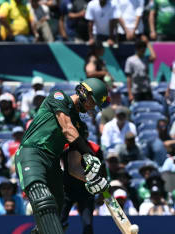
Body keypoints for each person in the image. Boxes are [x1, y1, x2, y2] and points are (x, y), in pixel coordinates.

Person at [14, 79, 110, 233]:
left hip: (52, 163)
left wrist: (94, 179)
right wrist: (88, 153)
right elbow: (66, 128)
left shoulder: (77, 124)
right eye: (93, 102)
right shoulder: (58, 97)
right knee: (43, 198)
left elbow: (73, 167)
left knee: (56, 211)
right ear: (84, 92)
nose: (92, 108)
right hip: (32, 153)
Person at [61, 140, 103, 233]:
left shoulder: (95, 148)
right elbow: (72, 170)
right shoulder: (65, 147)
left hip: (86, 192)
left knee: (87, 225)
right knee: (59, 222)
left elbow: (101, 169)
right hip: (67, 190)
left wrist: (103, 192)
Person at [125, 37, 156, 102]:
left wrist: (148, 43)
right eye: (141, 50)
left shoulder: (146, 58)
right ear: (137, 49)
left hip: (147, 90)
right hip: (136, 91)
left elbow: (154, 57)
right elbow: (128, 78)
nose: (143, 51)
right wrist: (130, 93)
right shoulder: (130, 60)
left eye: (144, 49)